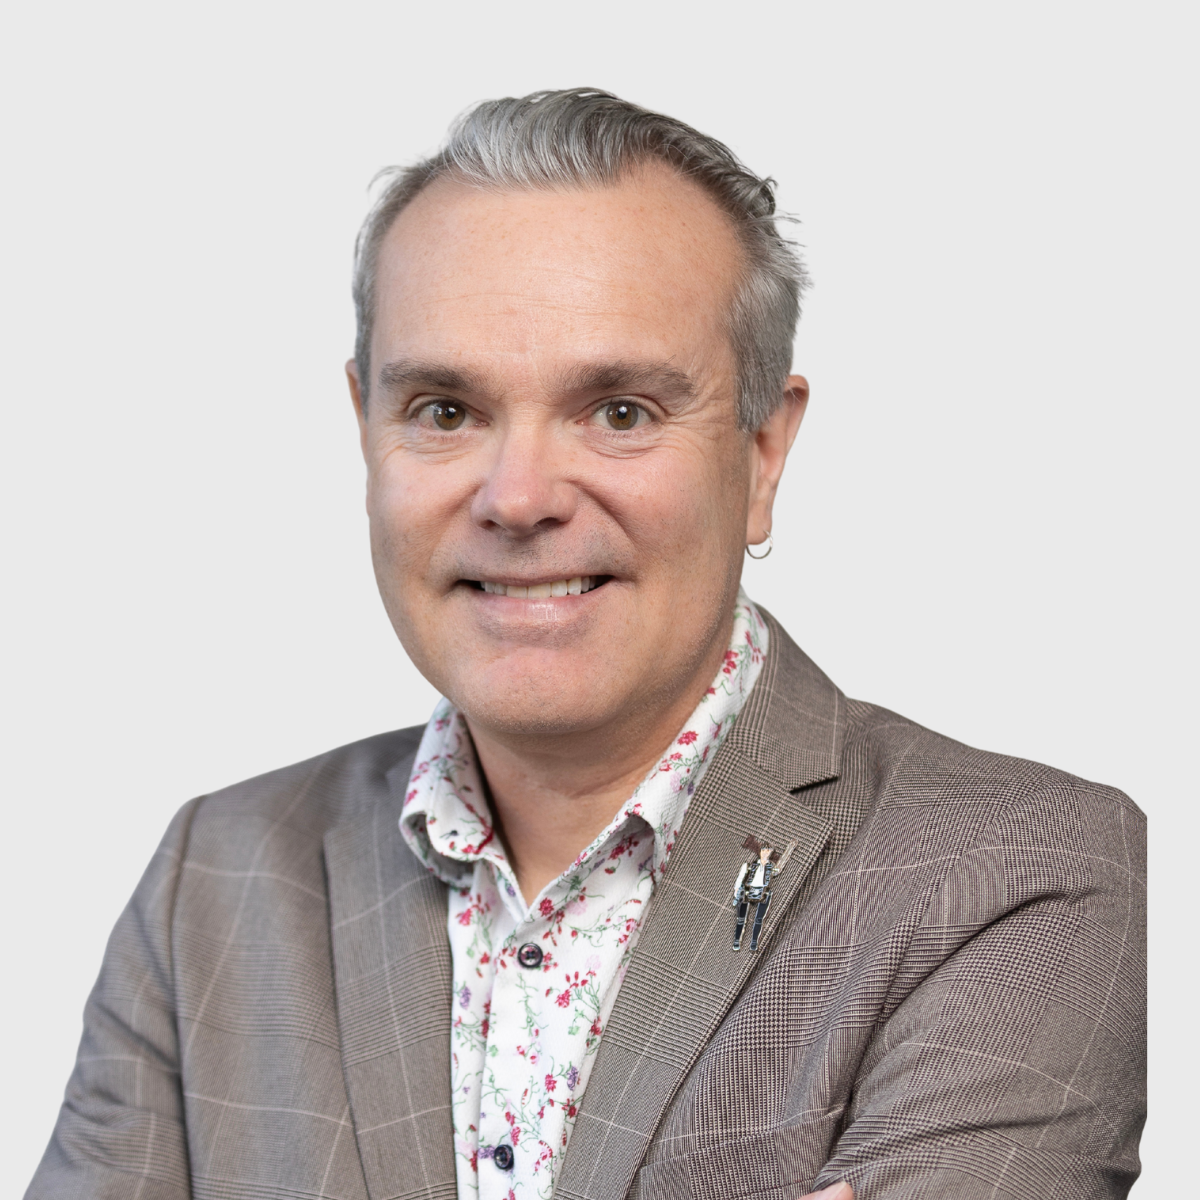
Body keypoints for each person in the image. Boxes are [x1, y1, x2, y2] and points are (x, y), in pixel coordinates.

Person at [26, 88, 1145, 1200]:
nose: (517, 499)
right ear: (366, 430)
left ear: (762, 452)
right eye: (446, 411)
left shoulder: (1016, 877)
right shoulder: (215, 880)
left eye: (620, 412)